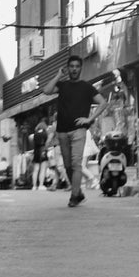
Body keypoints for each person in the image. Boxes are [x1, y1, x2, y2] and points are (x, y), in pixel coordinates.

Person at [40, 54, 106, 207]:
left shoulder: (86, 87)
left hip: (79, 131)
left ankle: (74, 196)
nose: (74, 69)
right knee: (68, 166)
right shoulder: (62, 86)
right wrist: (58, 75)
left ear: (81, 68)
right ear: (68, 68)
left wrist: (89, 119)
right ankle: (78, 192)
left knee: (76, 164)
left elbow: (103, 103)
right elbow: (46, 90)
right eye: (72, 66)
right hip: (62, 131)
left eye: (77, 66)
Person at [29, 119, 49, 192]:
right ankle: (41, 185)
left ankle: (34, 186)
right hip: (43, 151)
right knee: (43, 169)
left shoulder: (34, 135)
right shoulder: (45, 134)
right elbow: (46, 143)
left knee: (36, 169)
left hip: (36, 152)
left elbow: (33, 143)